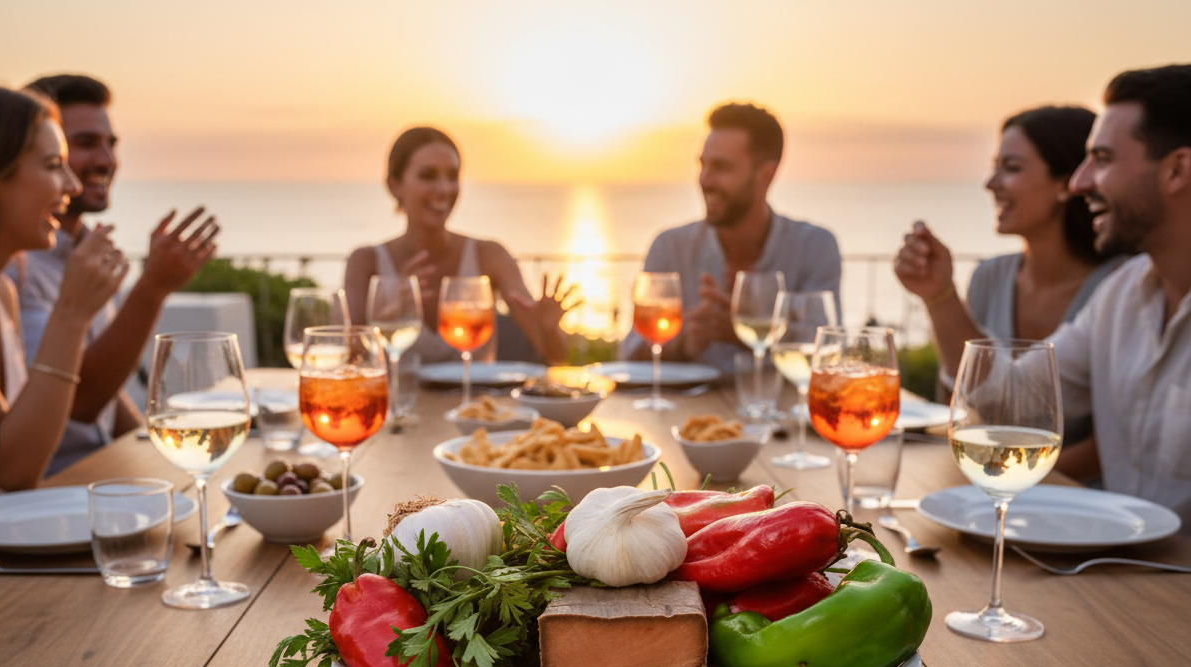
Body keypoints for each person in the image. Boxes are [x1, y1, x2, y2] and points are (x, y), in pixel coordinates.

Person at [893, 106, 1126, 481]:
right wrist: (938, 294)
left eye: (1011, 168)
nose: (990, 183)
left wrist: (1010, 478)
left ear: (1065, 183)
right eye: (994, 166)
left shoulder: (1120, 288)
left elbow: (1117, 442)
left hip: (1079, 502)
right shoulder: (990, 276)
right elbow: (967, 405)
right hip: (990, 489)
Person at [10, 74, 220, 474]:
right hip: (58, 481)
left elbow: (107, 394)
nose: (107, 160)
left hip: (105, 465)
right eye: (85, 143)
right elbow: (81, 400)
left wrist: (158, 455)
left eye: (111, 143)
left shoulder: (86, 248)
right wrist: (152, 287)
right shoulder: (15, 268)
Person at [0, 84, 125, 510]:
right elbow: (13, 470)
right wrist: (72, 314)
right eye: (53, 166)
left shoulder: (2, 294)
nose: (72, 185)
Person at [626, 102, 841, 372]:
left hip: (781, 401)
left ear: (766, 175)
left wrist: (745, 329)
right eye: (703, 165)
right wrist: (683, 345)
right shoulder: (669, 247)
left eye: (721, 167)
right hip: (691, 401)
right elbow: (629, 354)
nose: (705, 180)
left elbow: (826, 350)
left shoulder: (814, 247)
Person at [344, 126, 575, 364]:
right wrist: (386, 315)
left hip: (476, 391)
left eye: (452, 176)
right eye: (428, 176)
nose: (445, 189)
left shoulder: (491, 256)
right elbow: (347, 363)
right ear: (395, 185)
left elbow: (555, 356)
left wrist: (548, 329)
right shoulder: (365, 262)